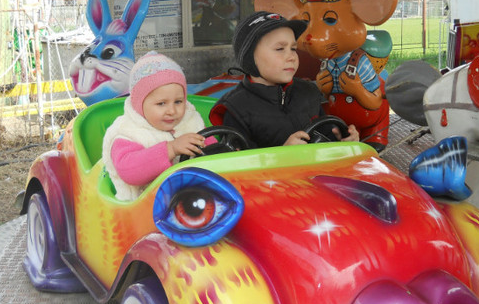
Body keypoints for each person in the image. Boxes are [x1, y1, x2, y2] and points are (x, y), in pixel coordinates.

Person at [210, 11, 359, 148]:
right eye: (280, 49)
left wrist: (342, 139)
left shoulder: (308, 92)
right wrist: (282, 153)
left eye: (293, 49)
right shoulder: (236, 108)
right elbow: (238, 164)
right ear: (250, 58)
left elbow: (325, 132)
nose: (291, 57)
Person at [103, 51, 214, 200]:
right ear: (139, 104)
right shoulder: (128, 131)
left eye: (178, 102)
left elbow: (212, 149)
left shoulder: (190, 121)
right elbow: (129, 171)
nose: (172, 111)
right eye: (161, 103)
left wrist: (227, 154)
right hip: (143, 208)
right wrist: (171, 148)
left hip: (193, 199)